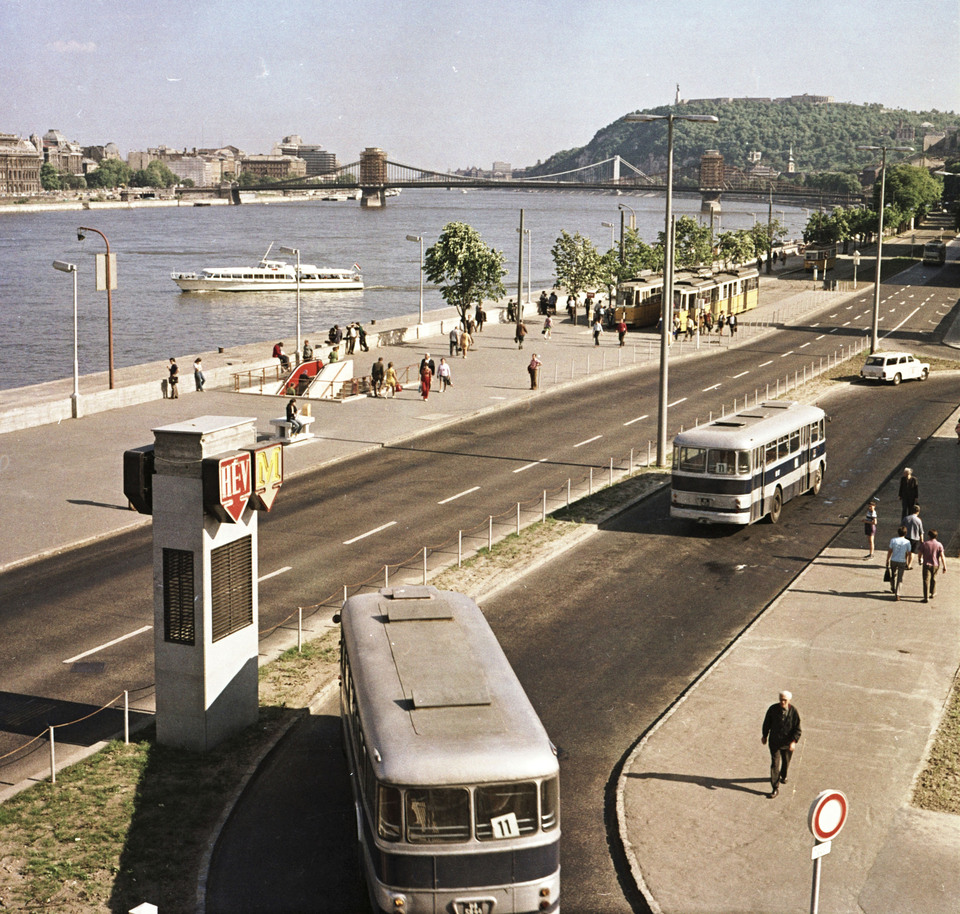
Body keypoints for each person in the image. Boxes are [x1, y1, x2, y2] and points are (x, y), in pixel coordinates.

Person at [761, 691, 801, 799]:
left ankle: (784, 775)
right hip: (775, 742)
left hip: (787, 744)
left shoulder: (793, 712)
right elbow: (766, 723)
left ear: (789, 701)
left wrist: (793, 742)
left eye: (785, 700)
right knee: (775, 764)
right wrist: (764, 736)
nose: (782, 702)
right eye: (781, 699)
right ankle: (775, 787)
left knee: (786, 761)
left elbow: (797, 729)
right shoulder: (772, 709)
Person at [919, 530, 947, 603]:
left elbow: (920, 553)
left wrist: (919, 559)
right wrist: (945, 566)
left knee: (926, 580)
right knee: (933, 579)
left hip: (926, 564)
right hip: (935, 564)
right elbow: (942, 556)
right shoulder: (939, 544)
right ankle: (933, 593)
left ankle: (926, 597)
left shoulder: (925, 544)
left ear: (929, 536)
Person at [886, 525, 912, 600]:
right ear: (905, 533)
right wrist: (909, 562)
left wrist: (887, 560)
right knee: (900, 577)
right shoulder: (907, 542)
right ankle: (898, 593)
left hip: (894, 559)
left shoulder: (893, 540)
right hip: (902, 561)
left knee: (893, 574)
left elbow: (890, 551)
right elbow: (909, 553)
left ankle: (892, 587)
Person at [902, 505, 924, 569]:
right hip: (915, 538)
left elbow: (902, 528)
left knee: (906, 551)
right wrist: (922, 540)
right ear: (918, 512)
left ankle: (905, 563)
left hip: (906, 537)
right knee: (912, 552)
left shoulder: (906, 518)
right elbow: (921, 531)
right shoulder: (919, 520)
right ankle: (909, 565)